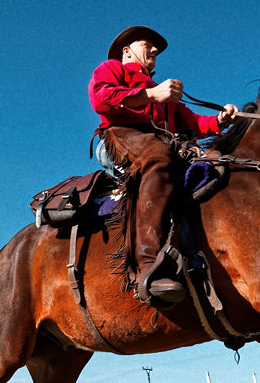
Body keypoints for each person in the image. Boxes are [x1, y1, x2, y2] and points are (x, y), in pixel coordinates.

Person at [89, 25, 238, 306]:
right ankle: (147, 267)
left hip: (158, 142)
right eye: (148, 45)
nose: (155, 51)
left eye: (156, 49)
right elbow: (101, 99)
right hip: (120, 137)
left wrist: (220, 120)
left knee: (207, 166)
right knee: (159, 159)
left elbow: (193, 123)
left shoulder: (163, 94)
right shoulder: (111, 68)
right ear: (126, 51)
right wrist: (150, 95)